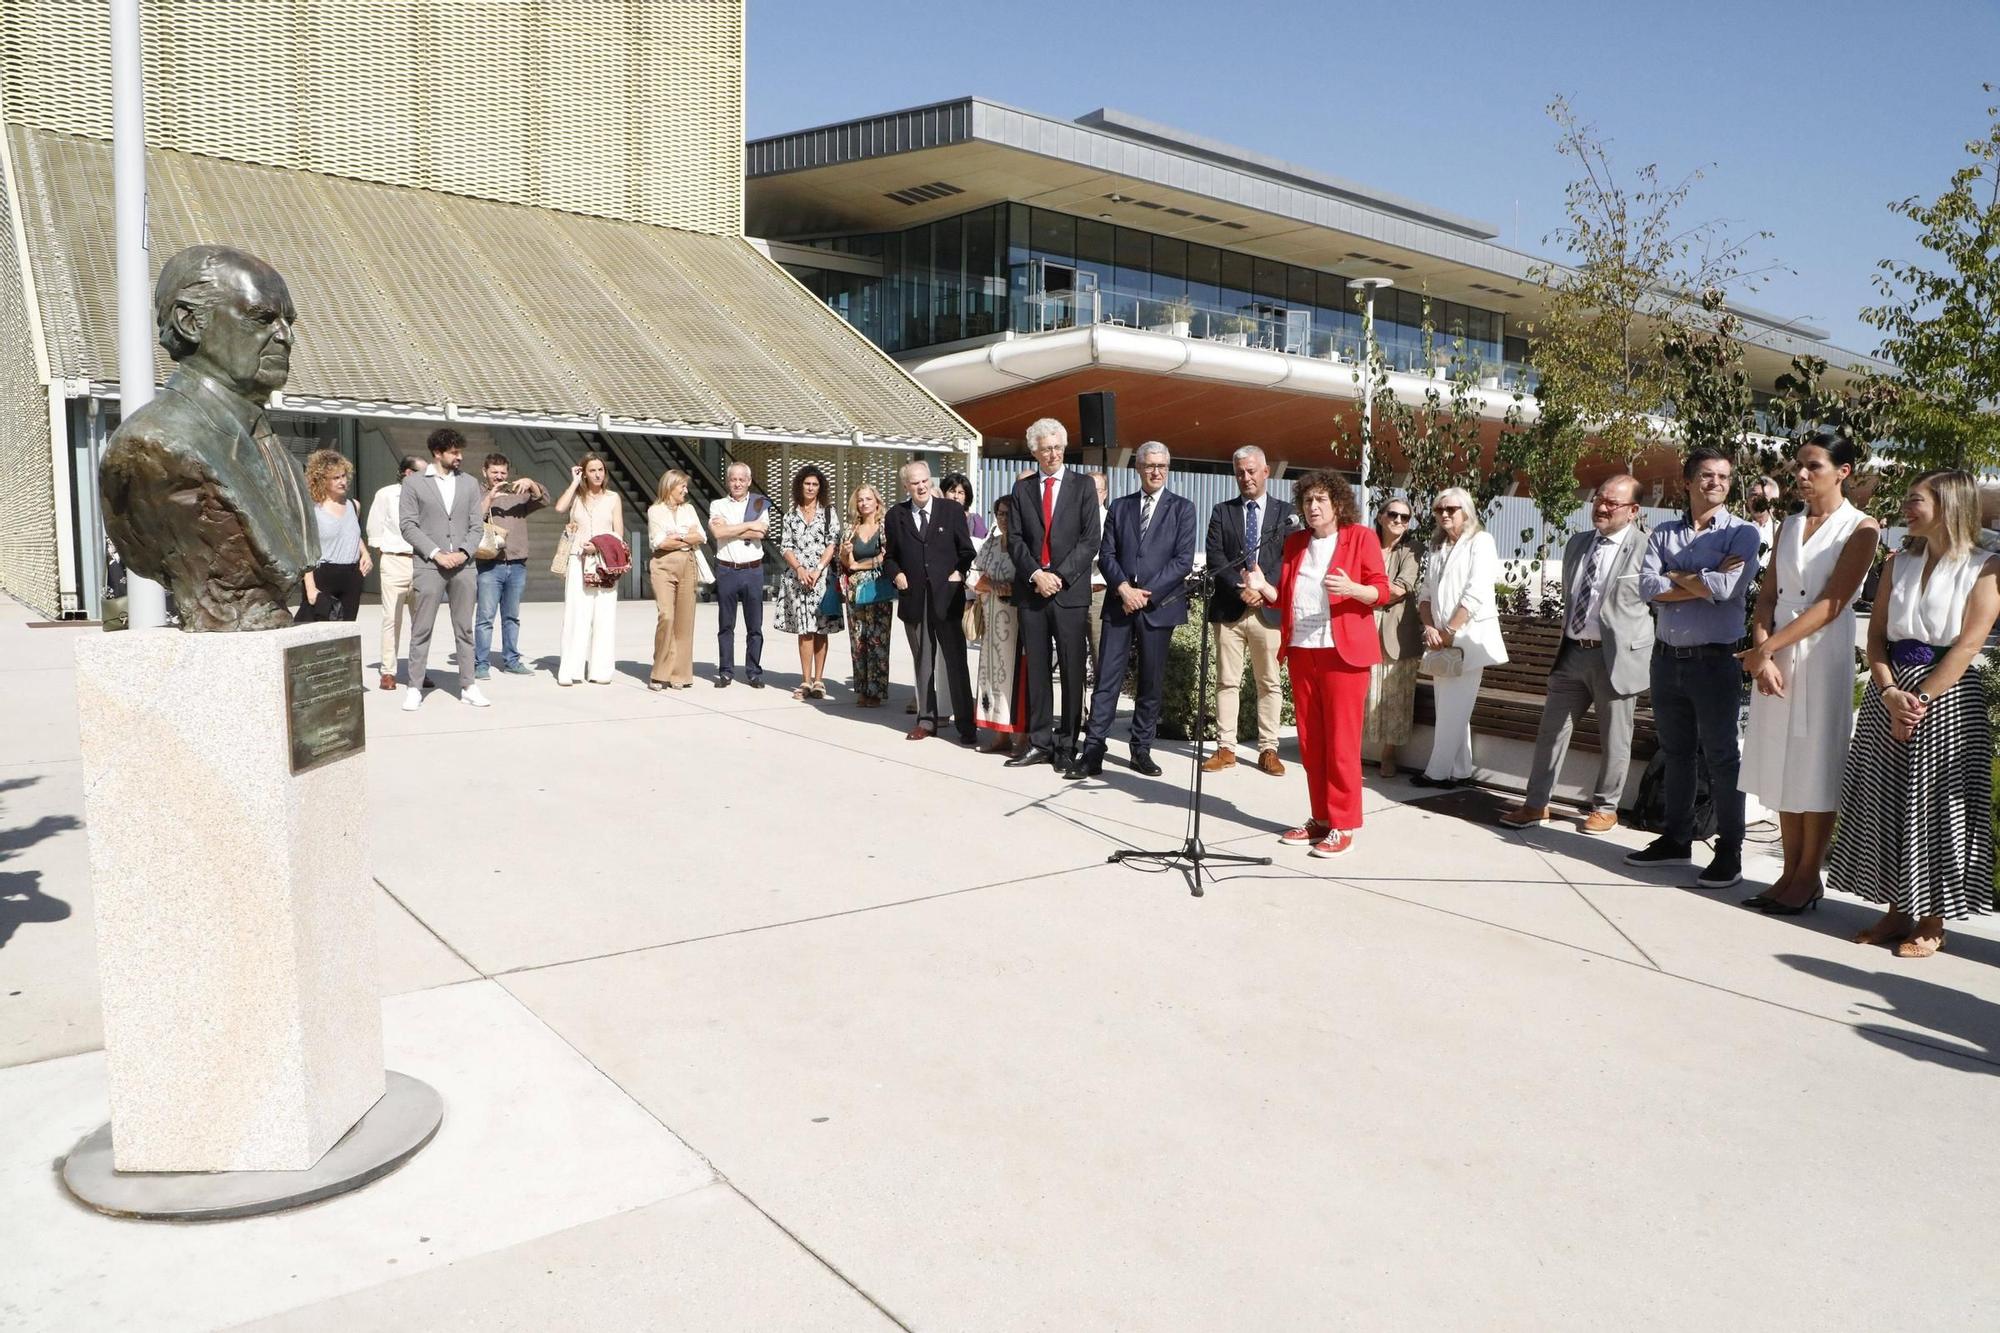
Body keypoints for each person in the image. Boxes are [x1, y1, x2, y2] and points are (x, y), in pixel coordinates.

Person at [97, 245, 316, 633]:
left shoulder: (267, 438)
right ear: (189, 321)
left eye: (288, 322)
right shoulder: (152, 445)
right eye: (262, 317)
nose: (285, 337)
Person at [1828, 470, 1999, 955]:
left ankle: (1932, 918)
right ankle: (1896, 910)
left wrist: (1920, 699)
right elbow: (1877, 636)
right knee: (1887, 801)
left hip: (1945, 698)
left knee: (1938, 808)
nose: (1906, 507)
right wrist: (1887, 692)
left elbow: (1968, 645)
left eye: (1915, 500)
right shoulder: (1899, 561)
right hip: (1890, 696)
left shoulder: (1986, 568)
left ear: (1948, 505)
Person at [1735, 436, 1880, 911]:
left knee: (1814, 763)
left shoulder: (1861, 528)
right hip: (1776, 653)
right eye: (1798, 466)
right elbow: (1768, 595)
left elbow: (1833, 603)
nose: (1800, 474)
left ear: (1843, 471)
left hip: (1821, 654)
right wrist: (1762, 649)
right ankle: (1788, 872)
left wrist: (1768, 649)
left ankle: (1808, 875)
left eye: (1812, 466)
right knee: (1781, 762)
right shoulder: (1790, 525)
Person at [1627, 448, 1763, 886]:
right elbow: (1648, 587)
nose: (1716, 483)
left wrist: (1681, 576)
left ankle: (1729, 852)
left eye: (1723, 476)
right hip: (1667, 661)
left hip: (1714, 663)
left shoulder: (1742, 534)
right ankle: (1675, 839)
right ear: (1688, 482)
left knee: (1722, 757)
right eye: (1706, 475)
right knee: (1677, 753)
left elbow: (1728, 589)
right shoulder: (1663, 532)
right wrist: (1702, 578)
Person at [1244, 470, 1388, 857]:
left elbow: (1382, 590)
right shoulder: (1295, 544)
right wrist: (1263, 587)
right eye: (1308, 501)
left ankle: (1344, 825)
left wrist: (1354, 589)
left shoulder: (1360, 537)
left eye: (1321, 499)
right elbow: (1286, 597)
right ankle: (1321, 818)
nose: (1313, 507)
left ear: (1338, 503)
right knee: (1311, 744)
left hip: (1343, 655)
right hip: (1303, 650)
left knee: (1341, 743)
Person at [1498, 475, 1653, 833]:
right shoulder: (1577, 543)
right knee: (1551, 732)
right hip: (1571, 654)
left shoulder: (1647, 549)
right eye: (1599, 498)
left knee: (1615, 737)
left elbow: (1657, 606)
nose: (1601, 506)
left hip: (1615, 658)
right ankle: (1536, 804)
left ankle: (1605, 807)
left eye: (1612, 503)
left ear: (1632, 511)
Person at [1070, 443, 1196, 778]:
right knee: (1106, 679)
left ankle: (1141, 748)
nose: (1156, 471)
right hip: (1119, 603)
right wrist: (1123, 589)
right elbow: (1106, 553)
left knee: (1149, 682)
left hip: (1158, 606)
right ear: (1138, 468)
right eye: (1150, 465)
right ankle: (1094, 747)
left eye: (1162, 466)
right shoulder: (1121, 507)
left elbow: (1182, 561)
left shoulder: (1183, 508)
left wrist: (1145, 595)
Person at [1006, 419, 1102, 769]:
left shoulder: (1082, 487)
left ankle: (1066, 744)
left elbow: (1091, 539)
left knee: (1073, 671)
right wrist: (1035, 574)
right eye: (1045, 448)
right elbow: (1014, 540)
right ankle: (1040, 741)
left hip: (1069, 593)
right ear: (1034, 450)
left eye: (1058, 447)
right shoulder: (1023, 489)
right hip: (1032, 593)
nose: (1053, 454)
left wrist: (1057, 576)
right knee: (1038, 670)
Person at [1203, 445, 1296, 777]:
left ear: (1266, 471)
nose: (1246, 477)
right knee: (1227, 681)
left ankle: (1268, 749)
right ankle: (1225, 748)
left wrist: (1263, 590)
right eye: (1240, 472)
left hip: (1268, 612)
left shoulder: (1288, 514)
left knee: (1269, 683)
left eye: (1252, 471)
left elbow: (1291, 560)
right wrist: (1241, 589)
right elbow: (1215, 558)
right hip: (1230, 610)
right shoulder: (1221, 511)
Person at [1412, 487, 1506, 788]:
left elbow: (1476, 592)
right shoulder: (1438, 547)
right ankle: (1461, 769)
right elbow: (1425, 594)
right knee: (1453, 707)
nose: (1445, 515)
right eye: (1440, 510)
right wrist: (1430, 628)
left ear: (1467, 511)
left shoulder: (1481, 542)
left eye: (1451, 509)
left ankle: (1437, 772)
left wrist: (1450, 631)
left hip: (1468, 639)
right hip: (1442, 639)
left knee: (1453, 707)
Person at [884, 460, 977, 743]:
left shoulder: (951, 510)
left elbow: (966, 550)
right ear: (906, 487)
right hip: (915, 599)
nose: (921, 486)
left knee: (955, 662)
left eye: (925, 481)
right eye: (915, 483)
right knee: (923, 663)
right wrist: (896, 574)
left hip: (947, 599)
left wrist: (958, 573)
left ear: (931, 482)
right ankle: (926, 720)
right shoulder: (895, 515)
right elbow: (890, 557)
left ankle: (966, 724)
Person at [399, 427, 487, 710]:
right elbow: (408, 525)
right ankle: (414, 687)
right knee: (421, 628)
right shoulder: (414, 484)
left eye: (460, 451)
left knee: (465, 628)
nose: (459, 457)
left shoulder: (470, 484)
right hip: (428, 565)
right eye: (453, 452)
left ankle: (469, 685)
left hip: (464, 565)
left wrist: (463, 552)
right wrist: (437, 553)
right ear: (438, 453)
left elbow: (477, 525)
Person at [474, 452, 549, 679]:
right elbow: (471, 516)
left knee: (512, 617)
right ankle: (481, 664)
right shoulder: (477, 492)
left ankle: (512, 660)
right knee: (485, 617)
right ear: (484, 472)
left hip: (517, 564)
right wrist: (490, 497)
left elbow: (544, 500)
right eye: (494, 472)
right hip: (489, 564)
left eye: (503, 472)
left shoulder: (518, 494)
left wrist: (532, 484)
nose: (498, 476)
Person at [1363, 497, 1423, 778]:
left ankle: (1389, 753)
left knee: (1395, 693)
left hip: (1396, 631)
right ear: (1380, 516)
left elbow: (1402, 587)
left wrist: (1363, 592)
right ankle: (1355, 751)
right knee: (1362, 690)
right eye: (1393, 514)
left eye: (1405, 518)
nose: (1399, 521)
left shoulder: (1412, 550)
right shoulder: (1364, 543)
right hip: (1361, 626)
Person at [555, 452, 623, 686]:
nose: (597, 474)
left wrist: (599, 545)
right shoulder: (577, 496)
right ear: (585, 472)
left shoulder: (613, 498)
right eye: (592, 470)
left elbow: (619, 533)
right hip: (578, 558)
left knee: (604, 615)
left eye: (600, 470)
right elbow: (559, 508)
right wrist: (574, 481)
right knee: (576, 614)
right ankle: (571, 670)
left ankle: (601, 670)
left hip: (605, 561)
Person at [776, 464, 843, 699]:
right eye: (807, 484)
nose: (811, 488)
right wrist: (800, 569)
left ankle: (819, 680)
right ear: (800, 485)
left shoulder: (828, 513)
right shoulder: (790, 515)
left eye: (815, 484)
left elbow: (833, 543)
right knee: (804, 630)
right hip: (798, 580)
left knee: (820, 628)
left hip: (821, 579)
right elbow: (785, 546)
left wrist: (817, 569)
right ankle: (805, 680)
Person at [366, 454, 426, 690]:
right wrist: (385, 552)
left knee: (422, 622)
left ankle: (418, 670)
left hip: (422, 562)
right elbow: (375, 526)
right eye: (422, 473)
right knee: (391, 619)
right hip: (395, 561)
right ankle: (388, 671)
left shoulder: (428, 496)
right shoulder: (386, 494)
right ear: (408, 473)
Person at [969, 496, 1024, 751]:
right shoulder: (989, 545)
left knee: (1018, 678)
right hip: (992, 626)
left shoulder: (1024, 545)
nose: (1004, 519)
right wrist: (991, 584)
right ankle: (1000, 736)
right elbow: (972, 574)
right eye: (1000, 513)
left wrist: (1010, 587)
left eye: (1009, 514)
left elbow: (1031, 579)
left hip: (1017, 625)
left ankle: (1022, 738)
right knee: (992, 677)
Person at [708, 461, 769, 689]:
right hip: (727, 570)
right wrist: (747, 526)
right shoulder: (717, 504)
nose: (737, 483)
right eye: (733, 479)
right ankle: (726, 671)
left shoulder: (758, 503)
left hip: (753, 570)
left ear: (749, 481)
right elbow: (718, 532)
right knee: (726, 625)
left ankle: (753, 671)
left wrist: (732, 527)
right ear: (728, 480)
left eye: (742, 479)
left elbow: (761, 532)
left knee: (755, 626)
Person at [645, 468, 705, 690]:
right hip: (663, 566)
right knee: (667, 616)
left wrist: (676, 536)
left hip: (687, 565)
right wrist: (685, 536)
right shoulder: (655, 511)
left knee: (684, 621)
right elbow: (660, 543)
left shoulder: (688, 509)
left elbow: (701, 536)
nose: (686, 491)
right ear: (670, 486)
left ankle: (679, 674)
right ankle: (659, 672)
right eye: (683, 486)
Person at [297, 449, 370, 623]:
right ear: (322, 480)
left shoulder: (354, 505)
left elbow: (350, 534)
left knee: (346, 629)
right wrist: (310, 588)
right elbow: (306, 550)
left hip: (352, 575)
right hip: (323, 573)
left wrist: (365, 553)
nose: (342, 481)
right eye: (336, 478)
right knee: (315, 630)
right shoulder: (313, 510)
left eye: (344, 476)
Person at [839, 483, 893, 707]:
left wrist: (858, 565)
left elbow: (886, 557)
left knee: (878, 640)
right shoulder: (851, 528)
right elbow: (844, 563)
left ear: (877, 501)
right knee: (858, 640)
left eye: (868, 499)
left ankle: (876, 691)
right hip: (854, 592)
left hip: (877, 590)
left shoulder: (884, 527)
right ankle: (862, 688)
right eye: (860, 500)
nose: (864, 503)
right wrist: (845, 554)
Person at [1085, 470, 1110, 684]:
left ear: (1105, 493)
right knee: (1072, 656)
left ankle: (1100, 714)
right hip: (1072, 593)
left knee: (1100, 656)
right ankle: (1076, 713)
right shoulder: (1072, 518)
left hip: (1098, 594)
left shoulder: (1110, 519)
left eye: (1096, 490)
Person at [939, 472, 987, 541]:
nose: (956, 496)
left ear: (966, 497)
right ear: (943, 493)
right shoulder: (937, 517)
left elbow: (982, 547)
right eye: (952, 491)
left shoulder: (974, 521)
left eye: (960, 493)